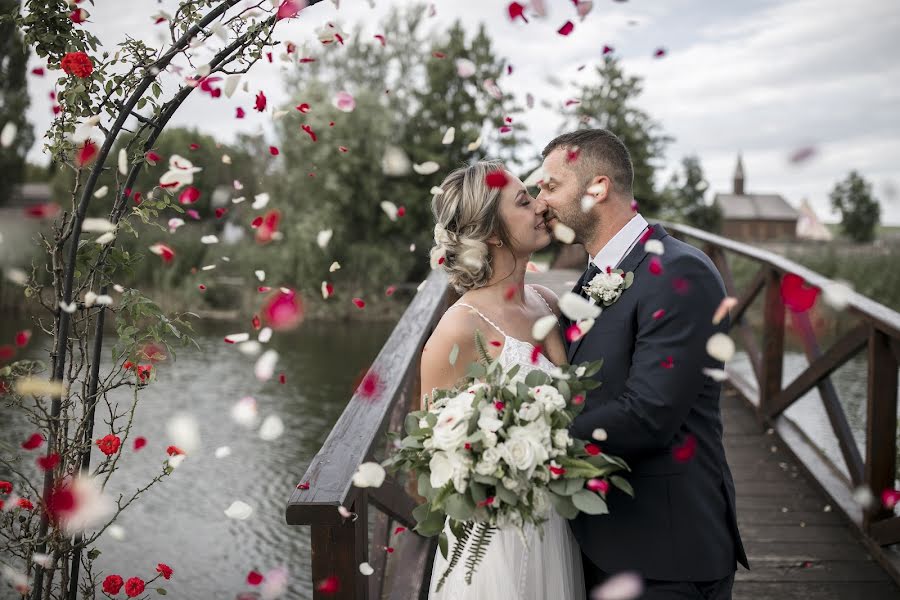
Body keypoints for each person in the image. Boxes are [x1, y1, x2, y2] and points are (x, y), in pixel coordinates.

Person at [537, 128, 749, 599]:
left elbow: (649, 412)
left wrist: (529, 440)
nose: (540, 201)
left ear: (598, 187)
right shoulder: (594, 275)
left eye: (551, 186)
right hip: (602, 538)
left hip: (666, 554)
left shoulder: (679, 272)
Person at [420, 159, 584, 599]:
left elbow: (575, 403)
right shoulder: (458, 328)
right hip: (493, 544)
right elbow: (431, 461)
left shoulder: (546, 300)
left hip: (553, 523)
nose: (541, 208)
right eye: (524, 201)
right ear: (492, 232)